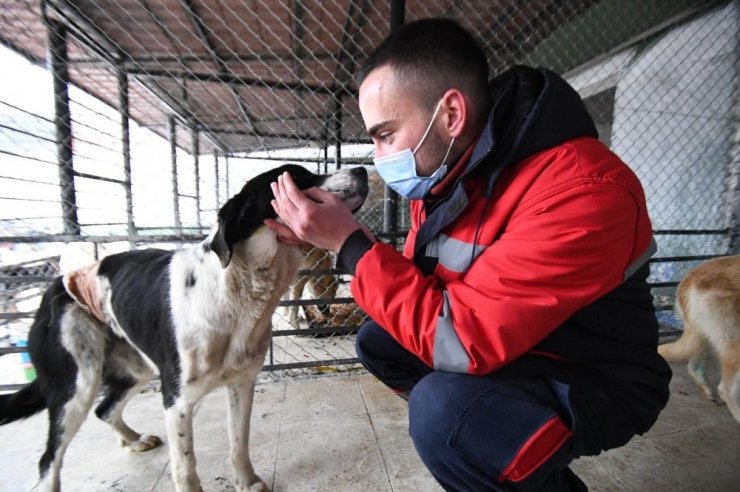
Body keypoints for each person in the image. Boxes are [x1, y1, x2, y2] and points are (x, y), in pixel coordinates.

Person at [265, 18, 671, 492]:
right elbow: (425, 288)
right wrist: (331, 238)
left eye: (385, 134)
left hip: (595, 377)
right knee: (380, 341)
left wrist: (349, 245)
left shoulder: (583, 190)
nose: (378, 156)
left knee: (446, 413)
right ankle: (503, 453)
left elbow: (461, 337)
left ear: (451, 114)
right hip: (519, 347)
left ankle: (488, 442)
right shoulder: (449, 175)